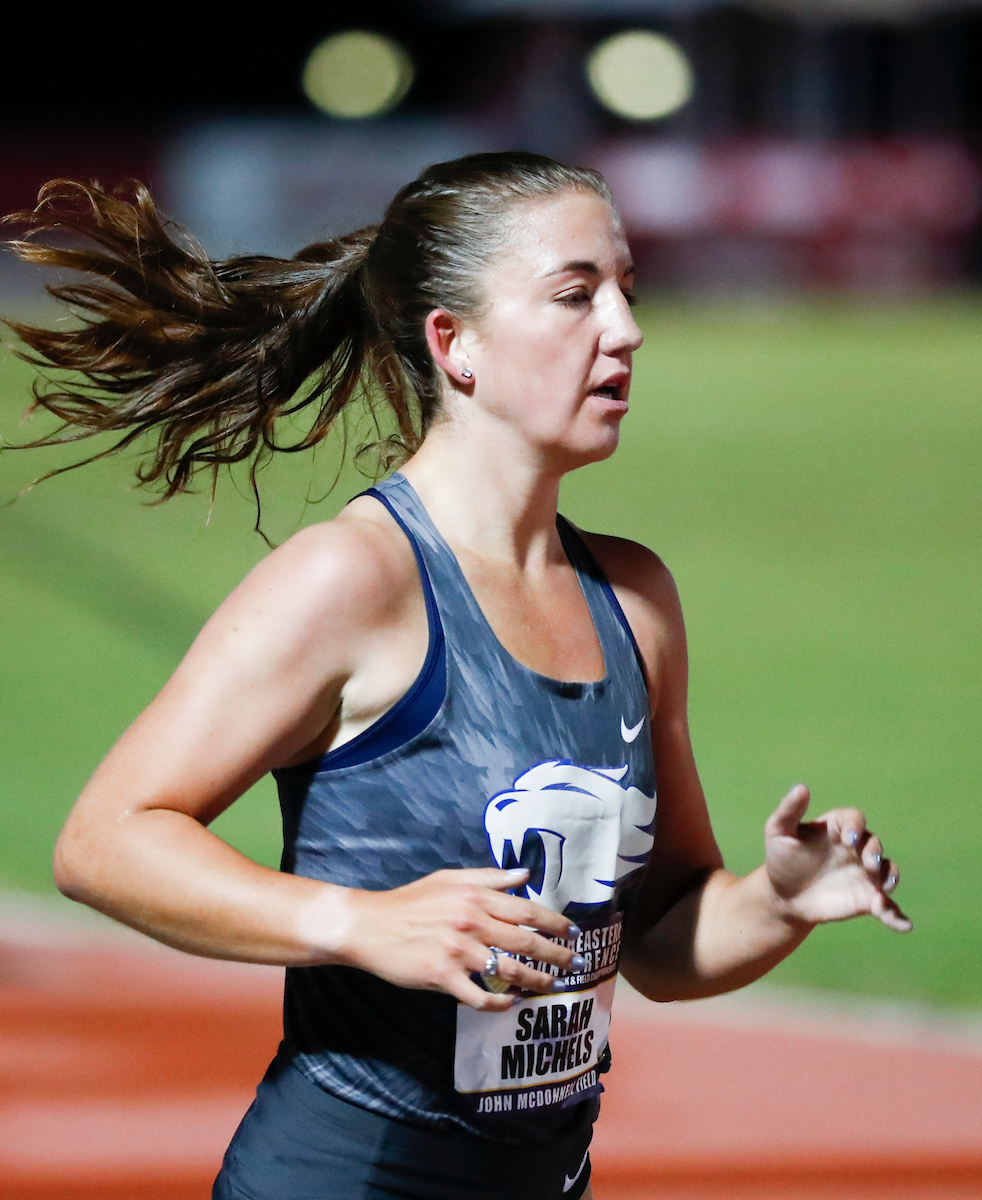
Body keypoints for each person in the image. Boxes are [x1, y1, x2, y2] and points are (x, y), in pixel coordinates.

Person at [5, 152, 910, 1200]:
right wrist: (360, 922)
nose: (624, 329)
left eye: (626, 289)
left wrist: (776, 901)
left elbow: (656, 938)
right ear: (456, 343)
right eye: (576, 295)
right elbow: (105, 840)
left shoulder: (636, 600)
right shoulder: (353, 579)